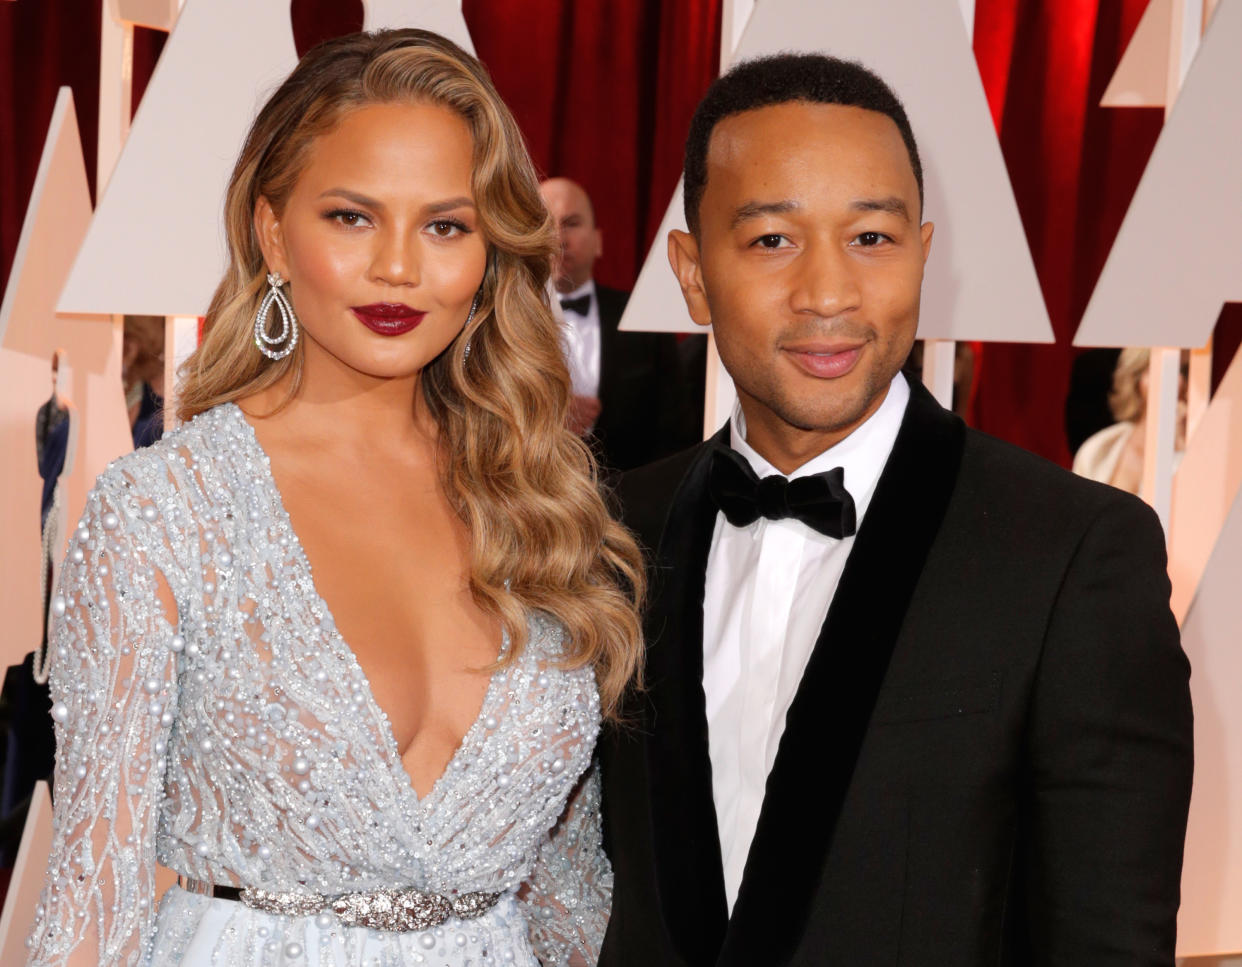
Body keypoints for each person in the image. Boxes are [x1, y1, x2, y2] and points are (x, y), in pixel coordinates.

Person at [28, 29, 644, 967]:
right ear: (273, 232)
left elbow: (570, 895)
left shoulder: (542, 502)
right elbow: (92, 902)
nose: (399, 266)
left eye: (446, 225)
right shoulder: (163, 514)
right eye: (353, 217)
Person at [599, 53, 1193, 966]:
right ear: (690, 269)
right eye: (771, 240)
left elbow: (1107, 940)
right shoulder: (607, 534)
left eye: (871, 239)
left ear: (923, 250)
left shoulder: (1071, 553)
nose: (829, 294)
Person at [539, 176, 696, 471]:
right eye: (545, 224)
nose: (559, 238)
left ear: (598, 242)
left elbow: (675, 432)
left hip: (628, 502)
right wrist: (544, 413)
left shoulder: (644, 319)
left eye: (571, 223)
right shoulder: (496, 320)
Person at [1072, 347, 1187, 495]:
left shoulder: (1193, 450)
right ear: (1138, 378)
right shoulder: (1100, 448)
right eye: (1161, 368)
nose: (1177, 380)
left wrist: (1179, 447)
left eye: (1183, 370)